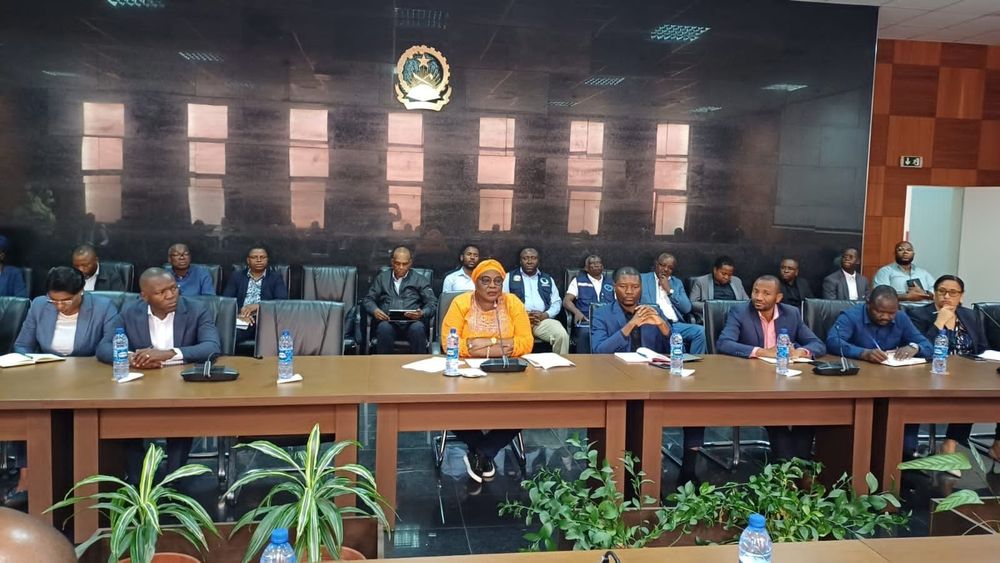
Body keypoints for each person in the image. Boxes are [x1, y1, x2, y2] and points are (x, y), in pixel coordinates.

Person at [6, 267, 117, 505]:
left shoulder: (103, 307)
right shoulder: (39, 305)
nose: (59, 306)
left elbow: (108, 347)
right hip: (45, 377)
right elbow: (23, 345)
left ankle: (85, 478)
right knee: (25, 411)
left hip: (90, 381)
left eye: (66, 300)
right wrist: (31, 361)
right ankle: (27, 475)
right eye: (53, 300)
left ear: (81, 292)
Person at [98, 267, 221, 479]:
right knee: (123, 416)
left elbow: (211, 346)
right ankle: (138, 481)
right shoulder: (130, 313)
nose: (170, 295)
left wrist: (169, 353)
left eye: (173, 288)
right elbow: (104, 348)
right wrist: (134, 358)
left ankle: (174, 479)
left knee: (181, 415)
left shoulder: (196, 309)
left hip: (182, 385)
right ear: (144, 296)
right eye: (161, 292)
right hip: (141, 384)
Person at [592, 267, 706, 482]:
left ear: (641, 289)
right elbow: (598, 352)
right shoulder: (602, 314)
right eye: (623, 286)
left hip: (654, 379)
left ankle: (688, 471)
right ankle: (635, 475)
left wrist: (663, 326)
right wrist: (631, 325)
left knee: (694, 404)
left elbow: (676, 348)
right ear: (614, 287)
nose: (629, 292)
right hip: (617, 381)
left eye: (635, 287)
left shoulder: (653, 310)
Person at [441, 259, 532, 484]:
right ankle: (485, 451)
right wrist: (501, 344)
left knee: (525, 407)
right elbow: (449, 343)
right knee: (445, 407)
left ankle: (482, 452)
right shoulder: (461, 303)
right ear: (475, 283)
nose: (492, 286)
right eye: (486, 280)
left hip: (507, 372)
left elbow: (526, 342)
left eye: (497, 281)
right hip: (467, 372)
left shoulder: (512, 303)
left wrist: (480, 344)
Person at [716, 275, 826, 461]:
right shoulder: (740, 312)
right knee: (775, 413)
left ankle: (801, 464)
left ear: (778, 298)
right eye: (755, 291)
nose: (758, 297)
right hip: (753, 382)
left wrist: (800, 352)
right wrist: (762, 352)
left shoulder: (791, 313)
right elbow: (724, 343)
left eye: (766, 293)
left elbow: (817, 344)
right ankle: (788, 464)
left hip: (789, 380)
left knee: (810, 411)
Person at [826, 285, 932, 458]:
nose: (886, 317)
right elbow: (833, 341)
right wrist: (863, 353)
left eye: (891, 313)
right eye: (880, 312)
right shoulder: (851, 316)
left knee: (909, 405)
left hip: (894, 382)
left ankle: (905, 456)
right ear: (868, 304)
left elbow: (927, 345)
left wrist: (915, 347)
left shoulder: (901, 317)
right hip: (859, 383)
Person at [906, 275, 994, 470]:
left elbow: (981, 347)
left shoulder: (970, 316)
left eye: (953, 293)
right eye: (942, 291)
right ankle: (949, 446)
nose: (946, 296)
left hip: (968, 374)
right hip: (930, 373)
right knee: (967, 394)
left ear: (961, 296)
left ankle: (995, 444)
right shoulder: (918, 315)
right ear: (934, 294)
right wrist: (939, 322)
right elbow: (920, 349)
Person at [362, 246, 437, 354]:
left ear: (410, 263)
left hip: (412, 323)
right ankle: (383, 364)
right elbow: (368, 299)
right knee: (383, 328)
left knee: (418, 328)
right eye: (397, 263)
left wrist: (422, 313)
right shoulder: (382, 278)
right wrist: (375, 310)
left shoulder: (420, 280)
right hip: (388, 322)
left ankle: (418, 363)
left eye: (404, 264)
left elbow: (432, 303)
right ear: (392, 262)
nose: (401, 267)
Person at [503, 247, 570, 355]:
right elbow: (502, 301)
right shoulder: (509, 277)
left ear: (538, 260)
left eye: (533, 258)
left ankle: (560, 364)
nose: (529, 261)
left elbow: (556, 302)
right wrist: (521, 315)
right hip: (516, 321)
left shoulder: (547, 279)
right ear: (520, 261)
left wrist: (546, 315)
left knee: (561, 335)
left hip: (542, 321)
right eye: (525, 258)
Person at [639, 252, 707, 354]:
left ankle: (695, 361)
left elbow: (687, 308)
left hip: (675, 325)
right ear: (656, 264)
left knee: (700, 331)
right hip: (653, 325)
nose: (666, 269)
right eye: (663, 265)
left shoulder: (676, 283)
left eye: (670, 268)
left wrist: (669, 290)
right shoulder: (642, 279)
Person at [222, 244, 288, 344]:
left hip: (265, 318)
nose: (259, 260)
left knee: (235, 333)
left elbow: (282, 302)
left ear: (267, 260)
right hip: (241, 318)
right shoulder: (237, 277)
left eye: (262, 257)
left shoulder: (275, 278)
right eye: (254, 257)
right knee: (226, 332)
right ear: (248, 260)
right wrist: (237, 316)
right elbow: (226, 301)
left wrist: (258, 306)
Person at [563, 254, 613, 354]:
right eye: (592, 263)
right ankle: (584, 362)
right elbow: (566, 301)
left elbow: (619, 302)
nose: (596, 265)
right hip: (587, 321)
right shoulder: (578, 281)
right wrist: (577, 312)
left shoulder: (612, 282)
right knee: (585, 334)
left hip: (608, 321)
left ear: (602, 266)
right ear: (586, 268)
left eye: (598, 263)